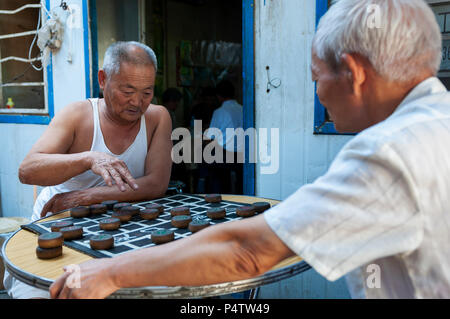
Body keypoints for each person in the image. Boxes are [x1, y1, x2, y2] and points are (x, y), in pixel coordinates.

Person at [51, 0, 449, 299]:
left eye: (316, 77)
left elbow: (245, 251)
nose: (318, 93)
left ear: (354, 73)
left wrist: (110, 273)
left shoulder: (389, 154)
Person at [5, 41, 172, 298]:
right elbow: (27, 170)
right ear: (103, 80)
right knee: (44, 291)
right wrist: (88, 159)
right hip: (58, 222)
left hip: (117, 227)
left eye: (147, 92)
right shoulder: (77, 115)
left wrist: (86, 197)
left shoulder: (158, 117)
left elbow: (156, 184)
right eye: (127, 91)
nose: (137, 103)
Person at [203, 80, 244, 194]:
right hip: (242, 155)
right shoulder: (243, 109)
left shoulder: (219, 112)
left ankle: (217, 196)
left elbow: (209, 136)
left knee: (208, 160)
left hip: (225, 156)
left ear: (218, 96)